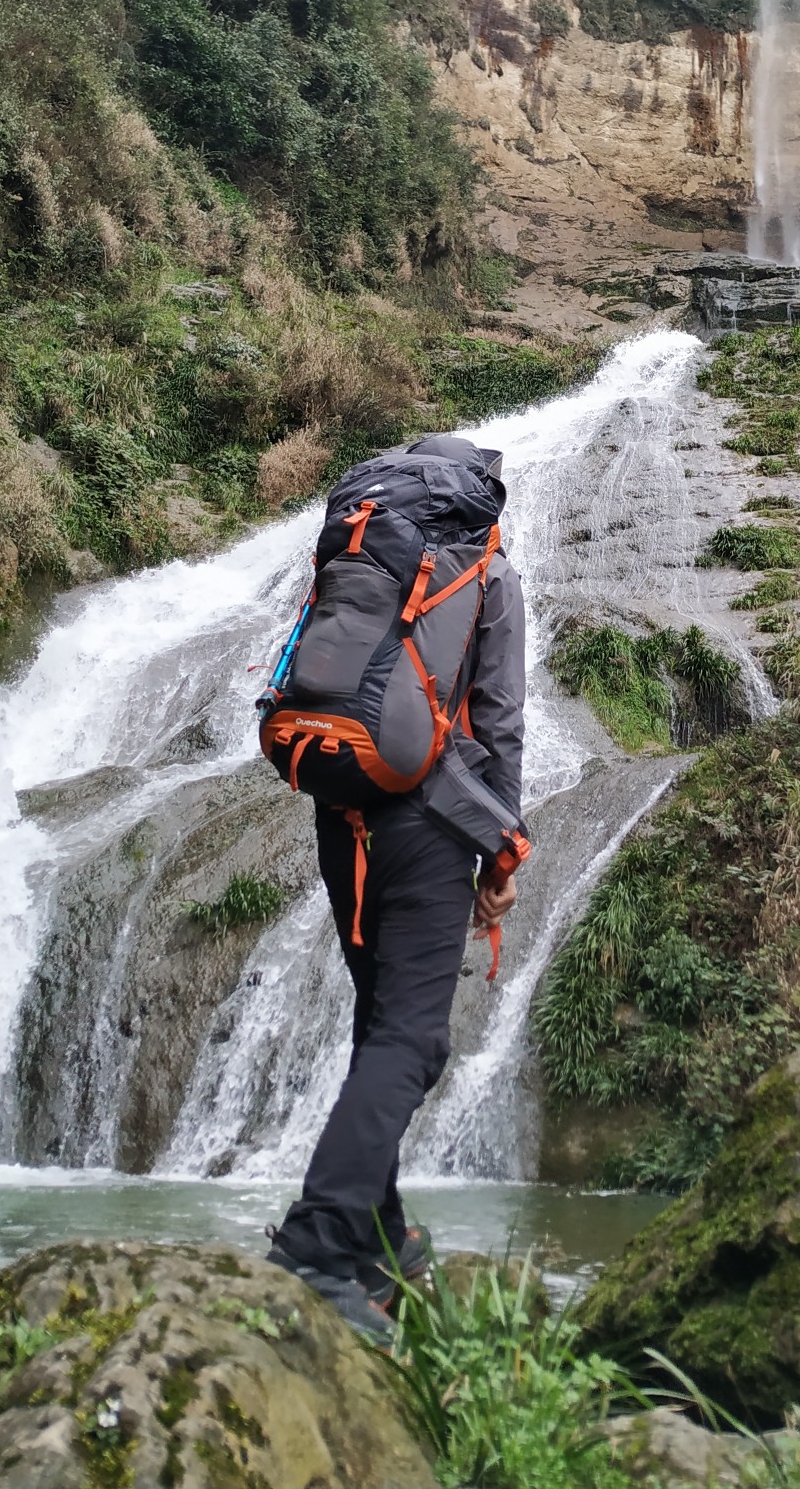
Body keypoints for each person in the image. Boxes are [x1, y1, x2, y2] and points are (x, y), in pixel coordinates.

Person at [266, 435, 526, 1338]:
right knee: (412, 1043)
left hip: (342, 806)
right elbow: (498, 728)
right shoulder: (487, 572)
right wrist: (502, 856)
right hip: (426, 823)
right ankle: (317, 1243)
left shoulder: (359, 553)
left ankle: (380, 1239)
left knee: (379, 1027)